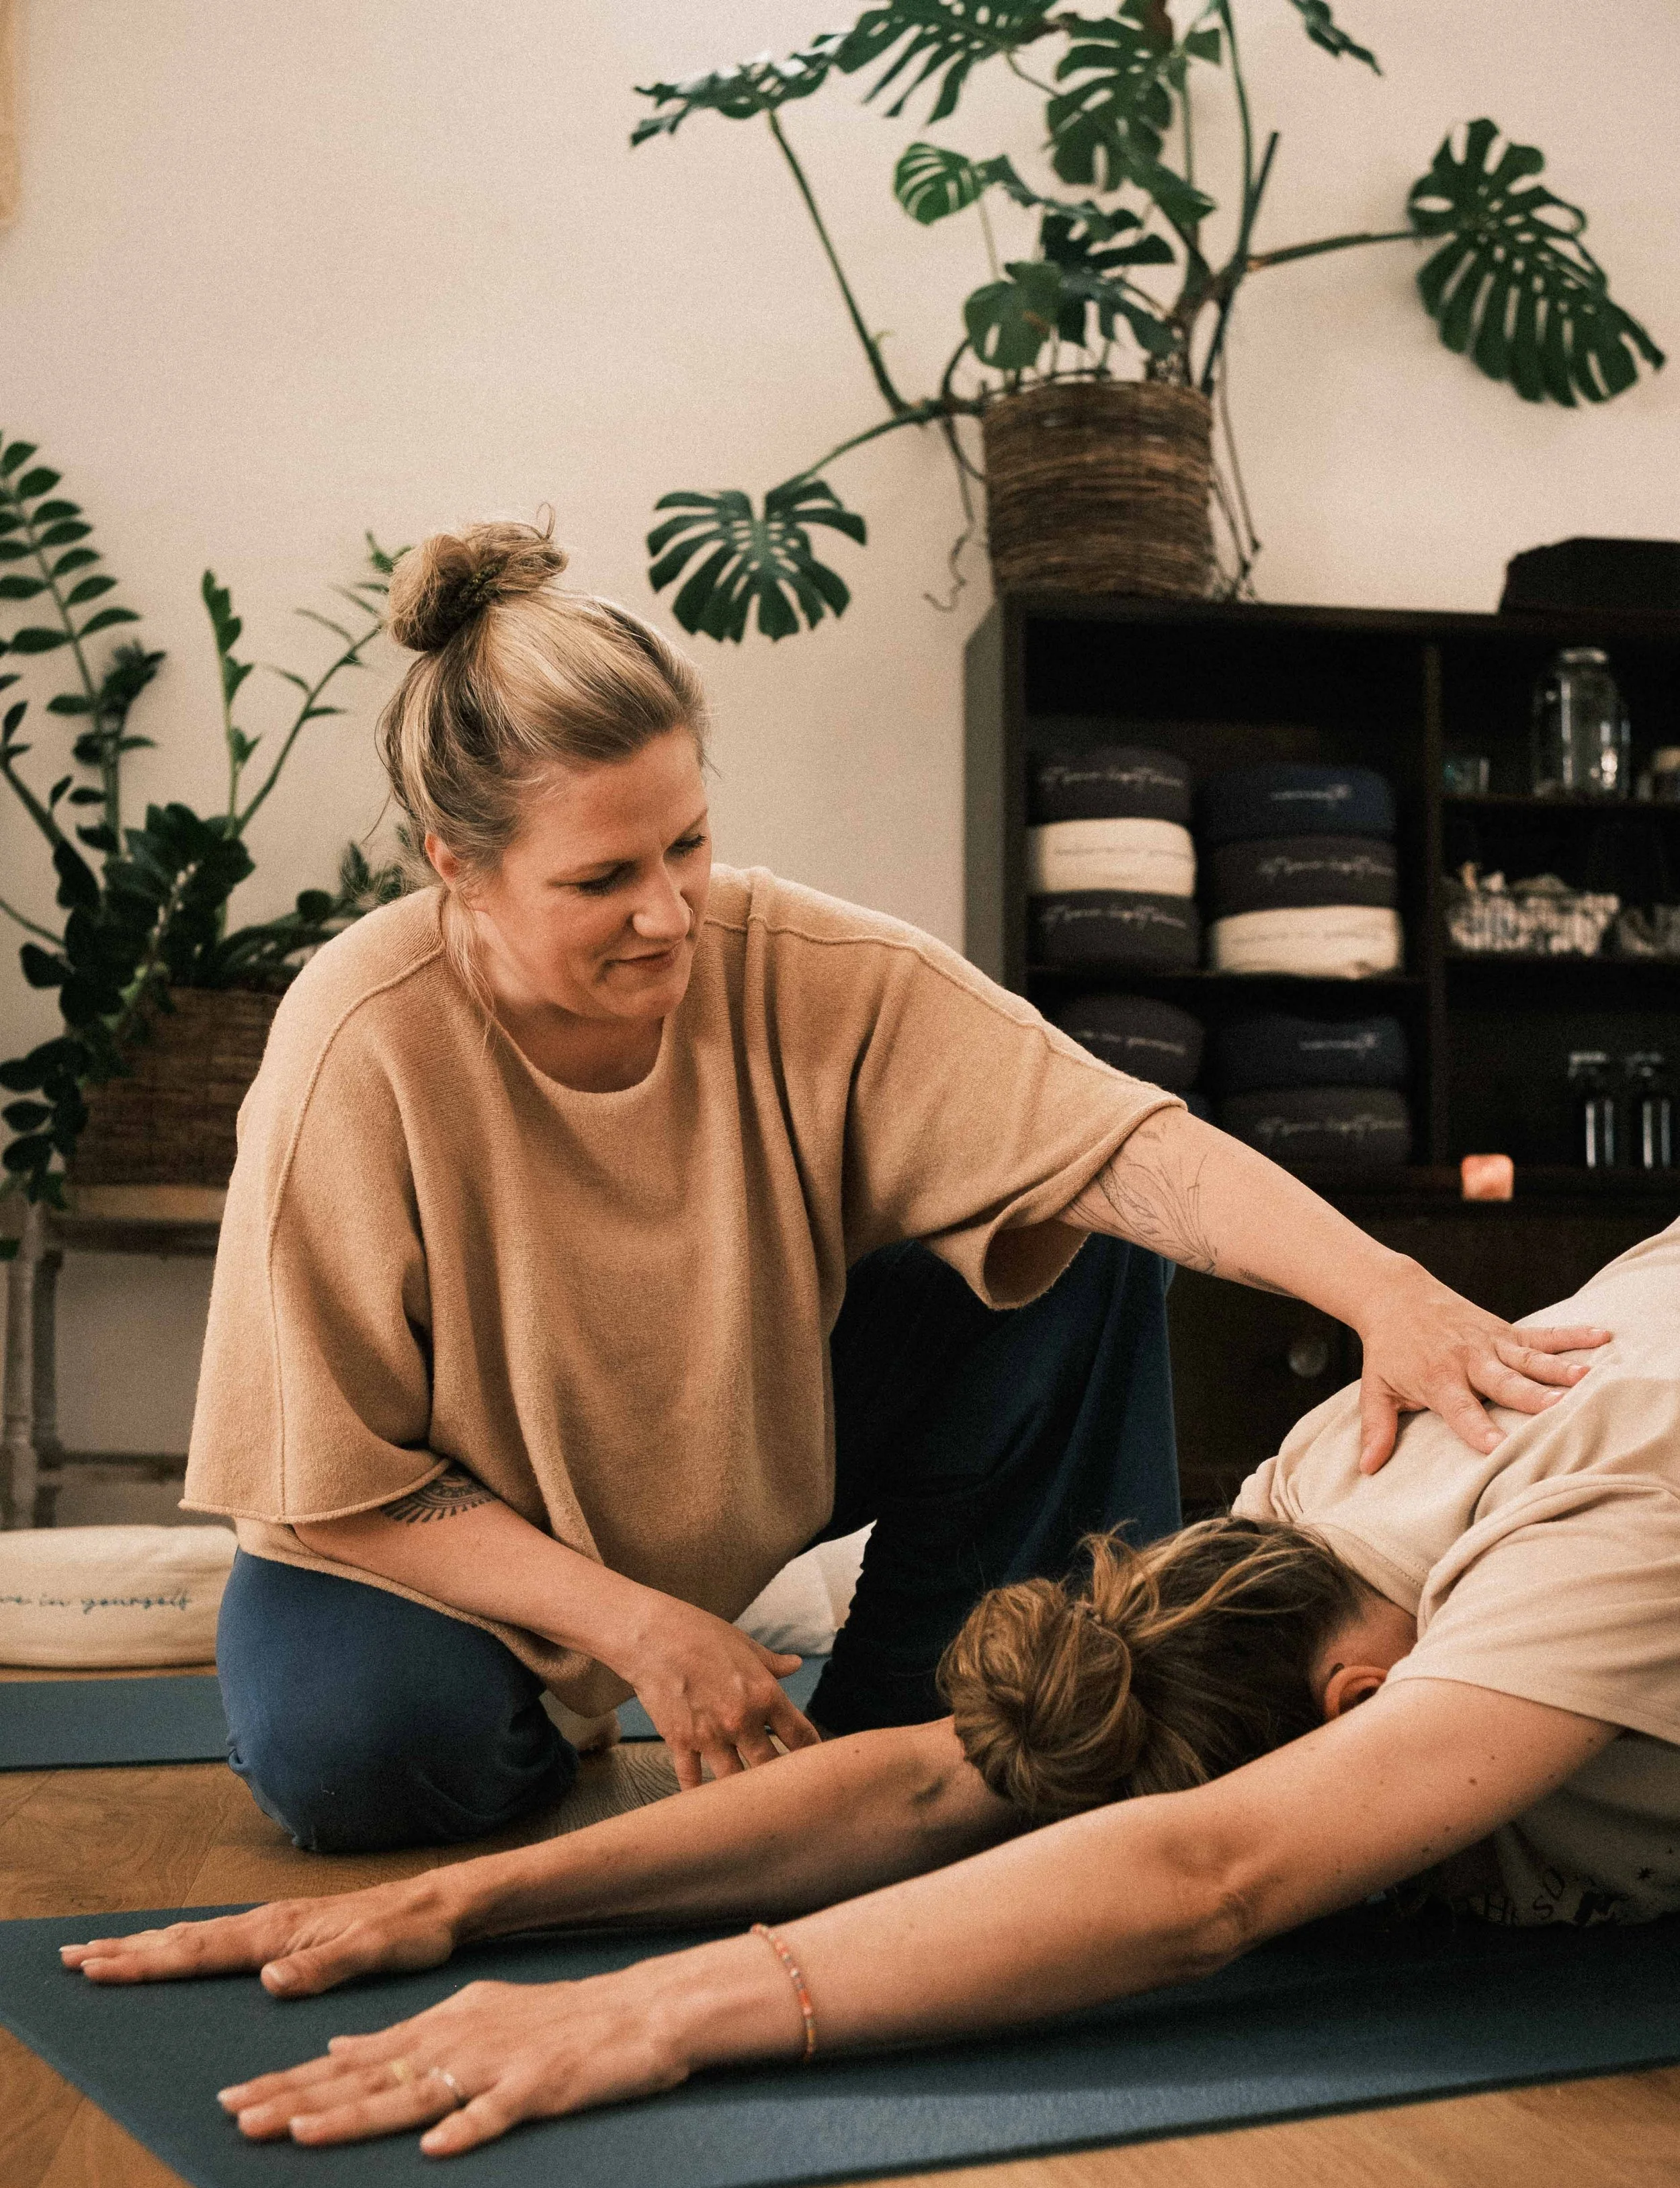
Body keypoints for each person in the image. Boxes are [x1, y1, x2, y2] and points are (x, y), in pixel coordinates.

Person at [187, 515, 1599, 1853]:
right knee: (361, 1762)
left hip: (734, 1432)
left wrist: (1385, 1294)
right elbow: (332, 1478)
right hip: (425, 1534)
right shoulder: (357, 1041)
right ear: (460, 868)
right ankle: (571, 1711)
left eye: (686, 844)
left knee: (1083, 1236)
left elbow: (1122, 1144)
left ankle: (902, 1724)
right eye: (601, 878)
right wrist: (641, 1633)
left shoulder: (798, 965)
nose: (668, 913)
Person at [64, 1223, 1674, 2162]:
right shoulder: (1336, 1466)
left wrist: (653, 2008)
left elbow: (1210, 1876)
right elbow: (931, 1779)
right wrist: (473, 1905)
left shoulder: (1596, 1531)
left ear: (1353, 1707)